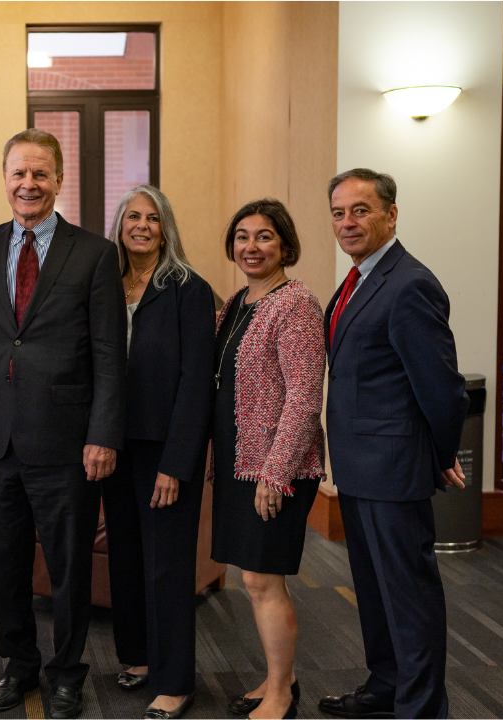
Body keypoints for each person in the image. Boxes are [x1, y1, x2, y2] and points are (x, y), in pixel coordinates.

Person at [0, 129, 126, 720]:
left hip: (68, 441)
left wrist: (104, 433)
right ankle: (19, 662)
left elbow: (109, 353)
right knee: (3, 564)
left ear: (58, 179)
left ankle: (66, 672)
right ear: (4, 179)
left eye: (40, 174)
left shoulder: (94, 253)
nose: (28, 184)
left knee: (68, 565)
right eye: (17, 174)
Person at [318, 170, 468, 720]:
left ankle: (422, 709)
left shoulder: (410, 284)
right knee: (375, 592)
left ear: (391, 214)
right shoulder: (358, 279)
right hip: (360, 468)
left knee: (409, 599)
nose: (348, 223)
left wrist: (440, 452)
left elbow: (443, 388)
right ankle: (386, 687)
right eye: (338, 213)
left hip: (394, 469)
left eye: (360, 210)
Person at [100, 185, 215, 720]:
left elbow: (197, 382)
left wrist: (177, 461)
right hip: (112, 442)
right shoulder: (105, 281)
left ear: (165, 228)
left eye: (152, 217)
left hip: (164, 447)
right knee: (126, 555)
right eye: (132, 216)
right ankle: (140, 657)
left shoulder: (187, 288)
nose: (141, 225)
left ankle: (175, 681)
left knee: (167, 564)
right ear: (119, 224)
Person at [208, 199, 326, 720]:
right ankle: (280, 677)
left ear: (285, 245)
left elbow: (304, 394)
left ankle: (281, 695)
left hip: (274, 469)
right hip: (240, 462)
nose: (250, 247)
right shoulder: (236, 301)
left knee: (262, 580)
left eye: (264, 237)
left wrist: (275, 474)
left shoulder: (296, 303)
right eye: (242, 236)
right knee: (253, 581)